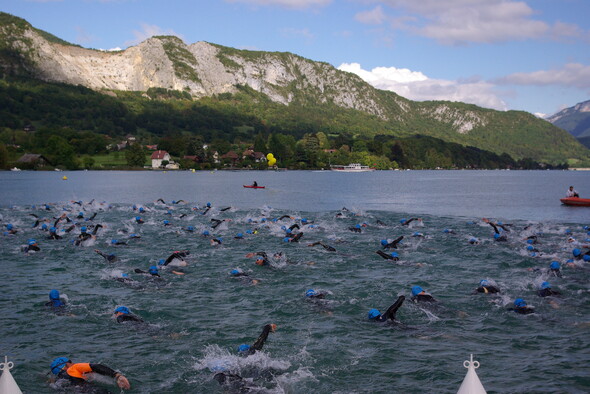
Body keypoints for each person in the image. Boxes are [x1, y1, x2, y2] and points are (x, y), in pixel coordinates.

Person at [50, 357, 130, 390]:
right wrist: (117, 375)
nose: (73, 363)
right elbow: (96, 366)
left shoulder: (57, 381)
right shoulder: (73, 368)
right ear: (67, 364)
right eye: (71, 362)